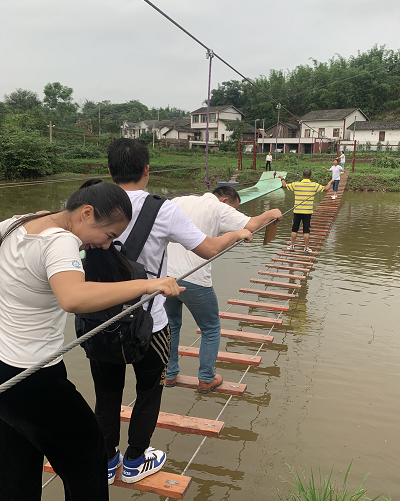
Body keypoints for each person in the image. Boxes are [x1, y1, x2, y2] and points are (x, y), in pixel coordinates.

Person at [0, 181, 182, 501]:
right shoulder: (61, 241)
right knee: (89, 457)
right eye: (110, 235)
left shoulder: (16, 223)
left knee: (17, 463)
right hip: (35, 377)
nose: (105, 245)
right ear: (86, 213)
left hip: (4, 369)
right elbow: (73, 297)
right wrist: (147, 285)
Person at [90, 138, 253, 485]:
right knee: (149, 390)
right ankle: (135, 462)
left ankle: (105, 462)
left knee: (106, 396)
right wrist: (238, 233)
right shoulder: (162, 209)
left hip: (99, 318)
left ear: (109, 171)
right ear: (147, 170)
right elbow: (208, 248)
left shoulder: (90, 205)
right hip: (150, 322)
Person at [164, 186, 282, 392]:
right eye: (234, 210)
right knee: (210, 328)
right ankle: (206, 378)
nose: (233, 215)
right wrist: (272, 213)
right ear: (226, 201)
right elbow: (253, 224)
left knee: (172, 325)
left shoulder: (178, 200)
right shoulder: (217, 207)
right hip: (195, 278)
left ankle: (169, 374)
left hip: (165, 278)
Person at [278, 170, 333, 253]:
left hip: (297, 211)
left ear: (302, 176)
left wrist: (282, 178)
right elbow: (326, 189)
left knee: (294, 229)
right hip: (307, 212)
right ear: (310, 177)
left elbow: (284, 185)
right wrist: (330, 182)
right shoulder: (314, 185)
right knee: (306, 230)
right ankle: (306, 248)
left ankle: (292, 246)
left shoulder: (296, 184)